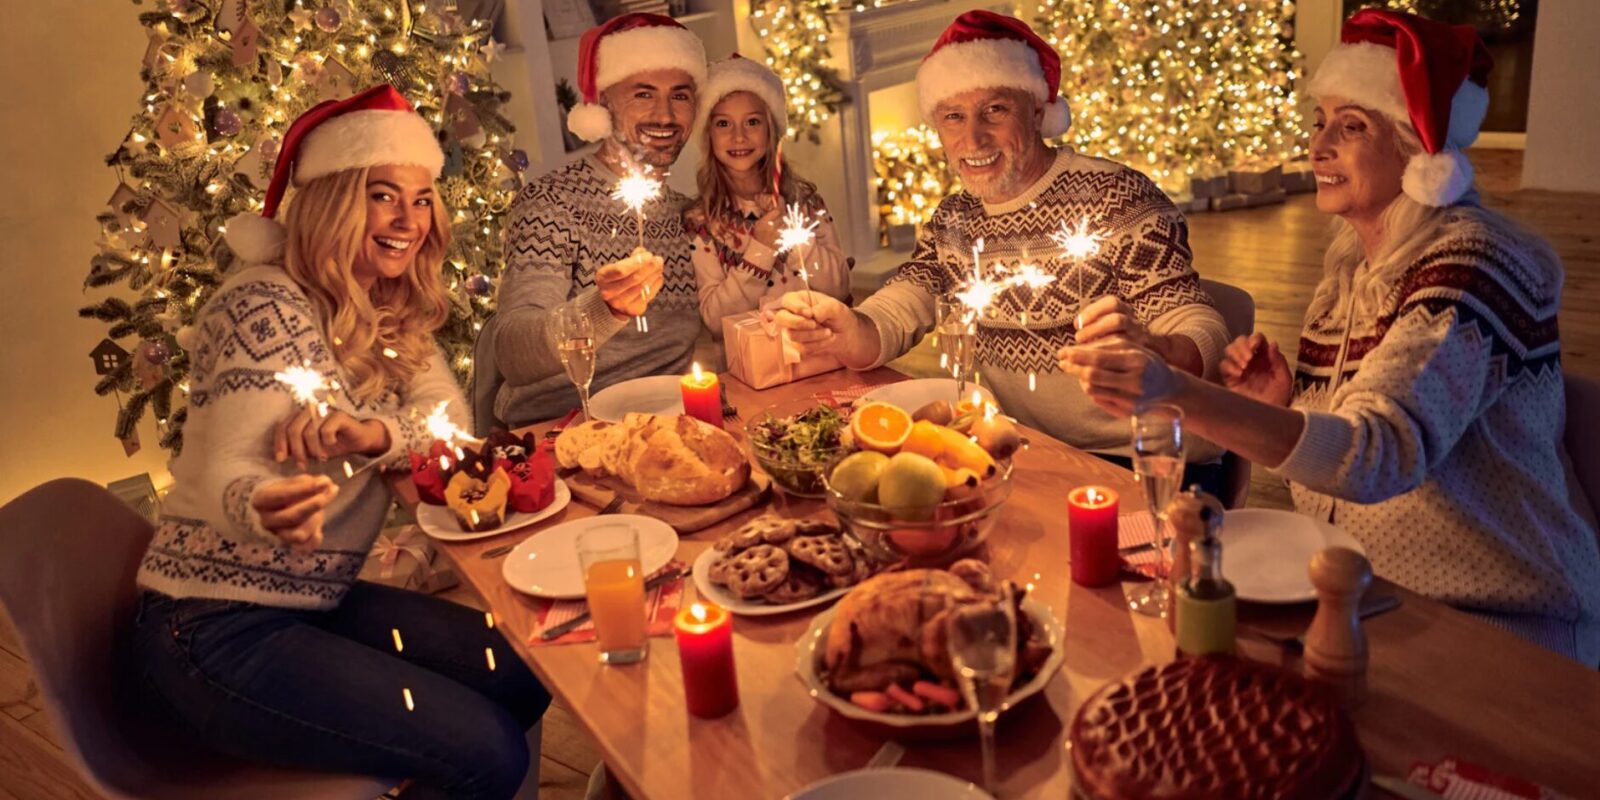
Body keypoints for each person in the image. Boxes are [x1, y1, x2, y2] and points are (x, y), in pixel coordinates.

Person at [1062, 9, 1600, 665]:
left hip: (1505, 626)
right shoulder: (1350, 270)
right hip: (1365, 594)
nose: (1317, 148)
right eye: (1320, 123)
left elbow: (1373, 458)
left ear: (1417, 148)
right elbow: (1339, 485)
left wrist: (1174, 391)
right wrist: (1278, 409)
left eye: (1352, 127)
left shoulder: (1474, 266)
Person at [130, 86, 551, 798]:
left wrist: (371, 433)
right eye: (382, 195)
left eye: (420, 199)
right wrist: (265, 504)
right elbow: (226, 468)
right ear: (330, 202)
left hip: (314, 602)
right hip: (212, 629)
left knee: (519, 676)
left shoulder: (390, 307)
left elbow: (451, 428)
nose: (408, 221)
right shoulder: (263, 303)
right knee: (489, 752)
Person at [773, 11, 1231, 487]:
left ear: (1036, 111)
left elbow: (1202, 328)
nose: (973, 138)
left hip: (1150, 466)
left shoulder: (1116, 197)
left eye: (995, 110)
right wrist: (851, 329)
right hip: (1031, 453)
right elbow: (903, 304)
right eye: (954, 117)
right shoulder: (954, 219)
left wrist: (1157, 347)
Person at [493, 13, 707, 426]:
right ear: (603, 103)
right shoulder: (551, 203)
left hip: (669, 421)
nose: (665, 116)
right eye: (643, 94)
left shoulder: (687, 214)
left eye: (680, 96)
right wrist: (603, 309)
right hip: (560, 424)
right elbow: (512, 352)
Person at [685, 55, 851, 368]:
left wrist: (792, 237)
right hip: (750, 372)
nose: (739, 136)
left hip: (821, 362)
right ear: (708, 134)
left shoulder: (806, 204)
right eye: (723, 123)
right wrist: (760, 248)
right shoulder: (701, 223)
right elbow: (715, 319)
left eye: (752, 122)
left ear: (770, 128)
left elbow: (839, 288)